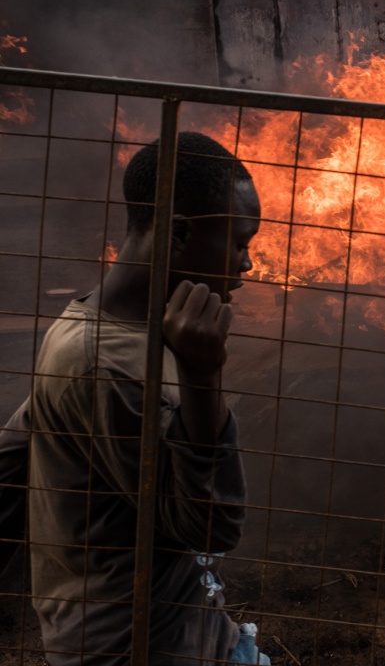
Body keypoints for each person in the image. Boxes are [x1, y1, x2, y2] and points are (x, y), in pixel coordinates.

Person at [1, 132, 267, 664]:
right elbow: (211, 527)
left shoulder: (116, 328)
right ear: (180, 233)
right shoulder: (105, 364)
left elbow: (12, 459)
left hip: (191, 630)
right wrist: (201, 372)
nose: (247, 264)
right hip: (137, 649)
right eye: (240, 242)